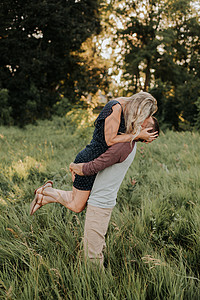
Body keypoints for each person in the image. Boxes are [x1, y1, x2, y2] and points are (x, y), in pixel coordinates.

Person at [30, 92, 158, 215]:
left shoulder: (127, 110)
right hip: (88, 158)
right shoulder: (116, 107)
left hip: (96, 161)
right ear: (139, 105)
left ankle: (44, 196)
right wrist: (137, 135)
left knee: (80, 201)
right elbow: (110, 140)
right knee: (77, 205)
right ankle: (46, 191)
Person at [70, 116, 159, 266]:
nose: (139, 117)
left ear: (145, 130)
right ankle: (45, 194)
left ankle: (97, 285)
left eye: (143, 120)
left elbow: (97, 164)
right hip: (103, 200)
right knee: (96, 244)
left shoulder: (124, 145)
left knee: (92, 255)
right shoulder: (128, 144)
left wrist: (76, 166)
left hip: (100, 203)